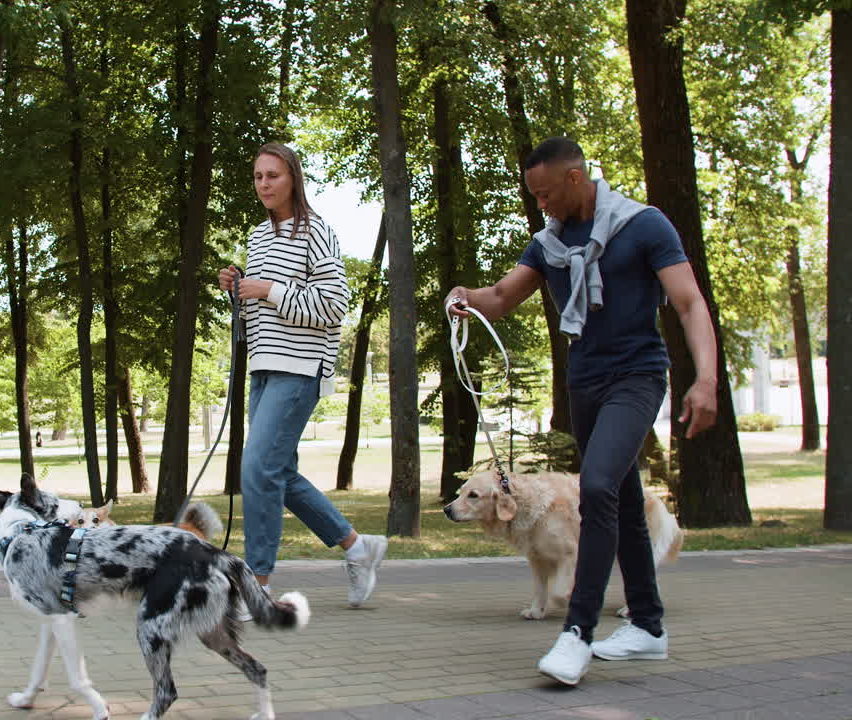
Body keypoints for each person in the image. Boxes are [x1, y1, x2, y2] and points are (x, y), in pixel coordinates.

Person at [446, 137, 718, 686]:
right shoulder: (550, 242)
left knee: (595, 488)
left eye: (545, 193)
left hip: (636, 377)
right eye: (534, 195)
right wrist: (464, 297)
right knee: (616, 493)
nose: (540, 204)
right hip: (586, 382)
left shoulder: (644, 226)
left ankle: (576, 633)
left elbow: (688, 302)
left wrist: (707, 378)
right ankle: (647, 625)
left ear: (575, 179)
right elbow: (501, 296)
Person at [216, 142, 389, 610]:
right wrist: (238, 289)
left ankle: (258, 584)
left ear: (292, 177)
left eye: (272, 175)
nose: (264, 184)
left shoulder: (316, 232)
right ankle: (357, 547)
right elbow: (266, 310)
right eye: (257, 177)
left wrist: (268, 289)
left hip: (301, 367)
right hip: (264, 366)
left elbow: (333, 305)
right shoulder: (258, 236)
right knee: (277, 473)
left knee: (256, 468)